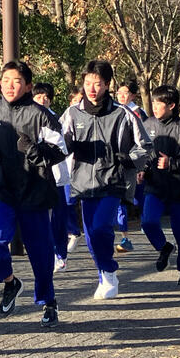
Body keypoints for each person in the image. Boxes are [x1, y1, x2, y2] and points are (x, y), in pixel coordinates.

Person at [0, 61, 67, 327]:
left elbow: (60, 151)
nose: (10, 85)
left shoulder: (41, 115)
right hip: (4, 190)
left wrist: (31, 149)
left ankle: (48, 302)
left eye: (16, 81)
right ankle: (10, 282)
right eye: (5, 80)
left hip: (35, 192)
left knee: (40, 253)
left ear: (28, 86)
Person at [62, 60, 150, 299]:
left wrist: (128, 159)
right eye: (88, 83)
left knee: (101, 226)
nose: (92, 89)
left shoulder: (123, 114)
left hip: (113, 180)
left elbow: (145, 146)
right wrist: (66, 147)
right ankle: (104, 273)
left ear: (108, 85)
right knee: (91, 234)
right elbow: (59, 144)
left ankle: (109, 270)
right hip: (82, 182)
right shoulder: (72, 113)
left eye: (98, 84)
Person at [140, 85, 180, 285]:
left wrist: (171, 163)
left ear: (171, 105)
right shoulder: (147, 124)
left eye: (159, 103)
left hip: (179, 190)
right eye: (153, 103)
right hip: (155, 187)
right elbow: (144, 153)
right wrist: (142, 170)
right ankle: (164, 247)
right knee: (148, 222)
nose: (154, 107)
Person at [114, 78, 148, 253]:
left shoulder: (139, 114)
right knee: (120, 201)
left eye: (125, 93)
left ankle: (148, 224)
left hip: (134, 164)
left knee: (138, 199)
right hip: (118, 165)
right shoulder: (114, 111)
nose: (121, 96)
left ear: (133, 95)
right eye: (119, 92)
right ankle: (124, 237)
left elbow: (144, 143)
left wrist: (141, 167)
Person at [53, 87, 84, 271]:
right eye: (74, 100)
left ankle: (76, 233)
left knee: (71, 203)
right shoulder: (65, 116)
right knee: (65, 203)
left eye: (80, 100)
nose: (77, 104)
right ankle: (72, 233)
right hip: (63, 168)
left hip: (82, 169)